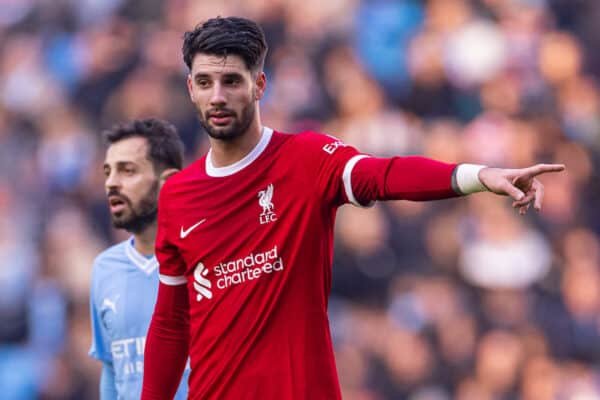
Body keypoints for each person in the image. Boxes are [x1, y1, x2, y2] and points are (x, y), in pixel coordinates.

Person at [141, 17, 565, 400]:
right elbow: (170, 323)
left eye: (231, 81)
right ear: (190, 88)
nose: (217, 96)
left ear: (259, 85)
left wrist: (477, 175)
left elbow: (383, 174)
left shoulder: (304, 158)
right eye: (204, 82)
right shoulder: (179, 195)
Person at [89, 118, 189, 399]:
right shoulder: (104, 269)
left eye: (127, 171)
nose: (111, 183)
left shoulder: (205, 260)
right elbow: (111, 370)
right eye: (107, 172)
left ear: (167, 182)